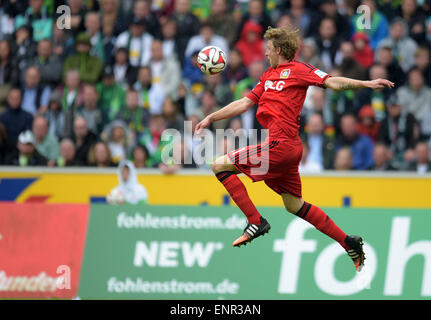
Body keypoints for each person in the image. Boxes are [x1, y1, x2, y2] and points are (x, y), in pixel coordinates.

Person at [194, 26, 394, 271]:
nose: (265, 53)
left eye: (268, 49)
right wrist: (211, 118)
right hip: (286, 149)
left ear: (278, 49)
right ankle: (347, 242)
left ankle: (255, 221)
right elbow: (244, 102)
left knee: (218, 165)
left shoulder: (300, 69)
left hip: (281, 144)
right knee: (293, 205)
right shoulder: (268, 76)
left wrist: (366, 83)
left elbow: (332, 82)